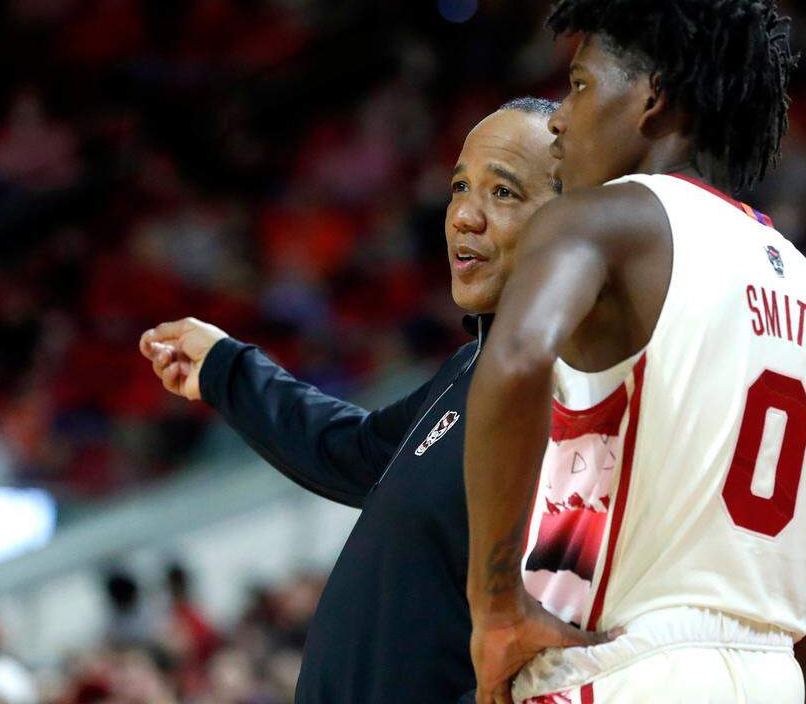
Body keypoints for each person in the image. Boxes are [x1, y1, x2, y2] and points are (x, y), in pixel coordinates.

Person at [463, 0, 806, 704]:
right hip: (772, 676)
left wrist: (496, 608)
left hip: (617, 664)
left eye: (578, 86)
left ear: (653, 98)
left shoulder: (605, 220)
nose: (559, 123)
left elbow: (513, 362)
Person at [138, 98, 567, 703]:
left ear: (575, 219)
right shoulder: (475, 368)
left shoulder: (575, 391)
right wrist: (226, 369)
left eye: (503, 193)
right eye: (459, 186)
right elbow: (361, 452)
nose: (464, 217)